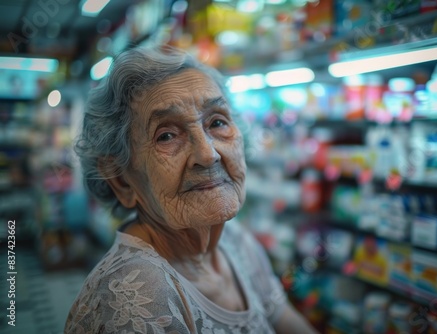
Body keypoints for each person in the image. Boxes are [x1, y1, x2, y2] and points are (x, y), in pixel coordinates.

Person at [65, 46, 318, 334]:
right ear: (122, 180)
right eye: (167, 135)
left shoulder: (235, 242)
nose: (208, 154)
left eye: (217, 122)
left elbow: (285, 320)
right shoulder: (138, 294)